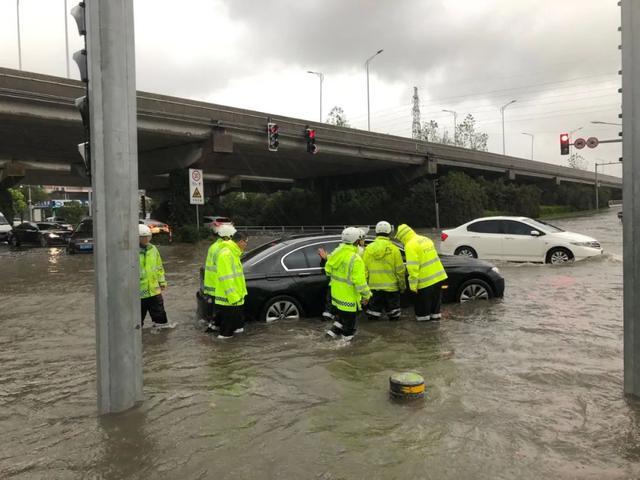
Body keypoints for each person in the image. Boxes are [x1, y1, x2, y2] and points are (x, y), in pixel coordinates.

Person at [325, 227, 372, 340]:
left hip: (337, 299)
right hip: (350, 301)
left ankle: (328, 337)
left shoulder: (336, 253)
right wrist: (367, 295)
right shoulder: (355, 259)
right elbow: (360, 283)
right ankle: (345, 352)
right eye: (361, 239)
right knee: (349, 330)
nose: (362, 241)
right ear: (356, 241)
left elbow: (328, 270)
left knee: (341, 320)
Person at [395, 224, 448, 322]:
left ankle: (425, 334)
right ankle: (436, 332)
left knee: (423, 314)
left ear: (402, 237)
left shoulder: (410, 245)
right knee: (435, 311)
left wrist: (413, 286)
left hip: (425, 283)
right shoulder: (425, 239)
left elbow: (412, 268)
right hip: (439, 278)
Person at [363, 221, 406, 321]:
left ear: (376, 232)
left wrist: (364, 290)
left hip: (373, 289)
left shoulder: (368, 249)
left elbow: (364, 271)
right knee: (394, 319)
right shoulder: (394, 249)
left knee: (373, 318)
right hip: (391, 289)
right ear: (389, 232)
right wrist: (402, 286)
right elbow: (400, 271)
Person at [214, 226, 249, 339]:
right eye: (246, 242)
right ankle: (225, 354)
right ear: (240, 241)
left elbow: (236, 277)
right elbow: (226, 279)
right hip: (229, 300)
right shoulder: (226, 254)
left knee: (234, 331)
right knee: (226, 335)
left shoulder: (234, 253)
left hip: (236, 299)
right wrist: (233, 297)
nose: (246, 245)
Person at [139, 224, 171, 328]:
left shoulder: (153, 249)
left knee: (162, 323)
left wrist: (162, 282)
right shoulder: (130, 253)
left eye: (148, 237)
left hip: (154, 291)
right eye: (143, 237)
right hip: (138, 295)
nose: (146, 239)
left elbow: (159, 267)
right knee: (136, 324)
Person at [202, 223, 225, 332]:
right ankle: (214, 326)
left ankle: (212, 324)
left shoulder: (214, 246)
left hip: (211, 283)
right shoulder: (222, 248)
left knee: (215, 307)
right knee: (219, 309)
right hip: (218, 284)